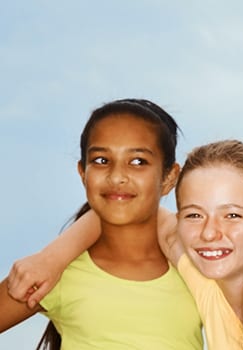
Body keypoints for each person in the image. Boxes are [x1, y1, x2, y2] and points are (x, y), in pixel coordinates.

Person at [0, 99, 203, 349]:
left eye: (138, 161)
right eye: (101, 160)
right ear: (82, 172)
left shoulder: (198, 270)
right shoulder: (54, 276)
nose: (117, 176)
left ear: (169, 177)